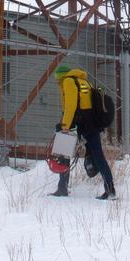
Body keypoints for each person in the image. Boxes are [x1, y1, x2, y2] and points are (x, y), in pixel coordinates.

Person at [50, 65, 117, 200]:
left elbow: (71, 105)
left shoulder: (68, 81)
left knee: (63, 152)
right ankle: (110, 190)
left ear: (61, 75)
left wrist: (65, 125)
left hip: (76, 121)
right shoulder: (84, 81)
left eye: (57, 78)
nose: (57, 81)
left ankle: (62, 187)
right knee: (98, 156)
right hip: (91, 122)